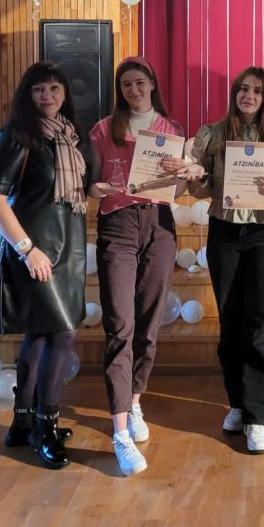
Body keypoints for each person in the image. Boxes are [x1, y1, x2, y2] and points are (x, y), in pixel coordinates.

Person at [182, 67, 264, 454]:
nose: (249, 96)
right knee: (230, 320)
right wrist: (197, 176)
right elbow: (201, 189)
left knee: (260, 323)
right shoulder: (213, 134)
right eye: (243, 89)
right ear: (234, 93)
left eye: (257, 91)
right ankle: (237, 403)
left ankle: (257, 417)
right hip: (225, 234)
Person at [0, 61, 92, 470]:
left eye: (54, 88)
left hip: (68, 249)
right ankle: (46, 427)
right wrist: (28, 250)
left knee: (41, 335)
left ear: (65, 93)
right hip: (33, 251)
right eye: (38, 89)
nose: (47, 96)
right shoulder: (14, 135)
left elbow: (76, 190)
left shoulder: (70, 137)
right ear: (27, 95)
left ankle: (22, 422)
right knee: (62, 334)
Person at [89, 56, 184, 476]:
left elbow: (180, 186)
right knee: (120, 325)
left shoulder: (171, 129)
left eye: (140, 82)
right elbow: (90, 184)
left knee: (148, 321)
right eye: (127, 84)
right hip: (118, 224)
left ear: (152, 84)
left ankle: (135, 401)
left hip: (159, 224)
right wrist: (97, 189)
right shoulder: (102, 129)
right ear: (120, 89)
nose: (134, 90)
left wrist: (184, 173)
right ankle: (120, 431)